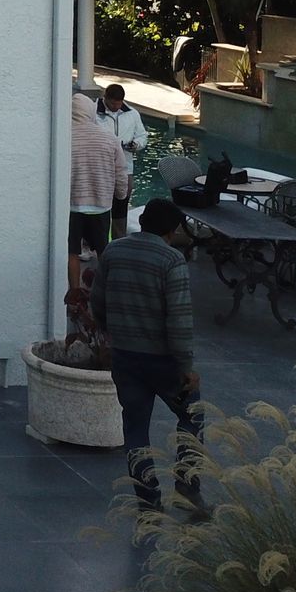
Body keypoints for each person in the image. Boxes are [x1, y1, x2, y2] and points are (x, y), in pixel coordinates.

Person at [91, 198, 206, 516]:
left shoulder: (114, 251)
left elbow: (97, 302)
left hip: (125, 358)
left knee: (136, 428)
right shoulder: (172, 261)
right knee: (192, 415)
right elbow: (179, 319)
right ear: (171, 230)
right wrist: (186, 367)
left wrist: (108, 336)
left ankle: (148, 499)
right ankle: (187, 486)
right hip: (163, 361)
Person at [69, 90, 127, 290]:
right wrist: (121, 195)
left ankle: (74, 294)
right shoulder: (109, 138)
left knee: (72, 252)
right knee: (104, 251)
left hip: (72, 206)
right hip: (100, 206)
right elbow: (121, 172)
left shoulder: (64, 137)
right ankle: (105, 292)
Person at [99, 83, 149, 234]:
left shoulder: (132, 113)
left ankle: (118, 239)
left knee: (122, 203)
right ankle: (92, 243)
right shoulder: (93, 113)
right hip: (101, 166)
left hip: (125, 166)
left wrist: (136, 144)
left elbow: (142, 135)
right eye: (113, 103)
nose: (115, 106)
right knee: (98, 205)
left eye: (118, 103)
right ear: (105, 98)